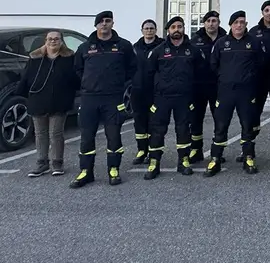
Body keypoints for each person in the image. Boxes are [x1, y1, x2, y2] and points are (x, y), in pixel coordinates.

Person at [70, 11, 136, 188]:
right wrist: (87, 83)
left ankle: (113, 169)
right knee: (86, 136)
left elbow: (132, 68)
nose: (104, 24)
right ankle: (86, 171)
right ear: (96, 25)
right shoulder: (85, 47)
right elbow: (77, 70)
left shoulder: (124, 46)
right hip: (89, 98)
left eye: (108, 21)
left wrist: (119, 83)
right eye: (101, 22)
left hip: (113, 98)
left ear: (113, 23)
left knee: (113, 135)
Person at [205, 10, 265, 177]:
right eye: (236, 22)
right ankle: (215, 158)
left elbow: (261, 64)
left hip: (246, 92)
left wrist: (249, 79)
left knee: (247, 125)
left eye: (242, 22)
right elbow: (213, 65)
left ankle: (248, 156)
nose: (239, 25)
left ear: (245, 25)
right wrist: (226, 78)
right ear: (230, 25)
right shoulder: (221, 43)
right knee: (221, 126)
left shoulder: (253, 43)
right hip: (226, 92)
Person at [144, 16, 204, 179]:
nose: (176, 29)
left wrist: (194, 96)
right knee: (157, 131)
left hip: (184, 98)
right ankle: (154, 163)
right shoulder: (158, 51)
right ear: (168, 30)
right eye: (173, 27)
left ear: (184, 29)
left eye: (179, 26)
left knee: (183, 130)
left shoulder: (193, 50)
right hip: (162, 98)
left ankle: (183, 161)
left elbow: (200, 74)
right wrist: (151, 99)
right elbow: (148, 75)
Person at [17, 31, 79, 177]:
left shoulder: (69, 58)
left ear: (62, 42)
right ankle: (42, 163)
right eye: (50, 39)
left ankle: (57, 163)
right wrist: (22, 94)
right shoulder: (35, 58)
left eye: (57, 39)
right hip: (38, 100)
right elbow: (26, 78)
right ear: (45, 41)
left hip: (60, 101)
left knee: (56, 133)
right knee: (40, 134)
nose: (53, 41)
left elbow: (76, 79)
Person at [248, 0, 270, 162]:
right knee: (252, 115)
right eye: (267, 10)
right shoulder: (254, 32)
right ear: (262, 12)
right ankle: (248, 150)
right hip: (258, 80)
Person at [188, 11, 225, 164]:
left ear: (218, 22)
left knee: (220, 119)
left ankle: (218, 151)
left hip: (218, 86)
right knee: (196, 119)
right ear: (204, 23)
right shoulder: (195, 40)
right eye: (208, 21)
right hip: (198, 86)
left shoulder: (225, 39)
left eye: (214, 20)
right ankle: (196, 149)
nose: (211, 23)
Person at [130, 19, 163, 165]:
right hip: (137, 91)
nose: (149, 31)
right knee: (139, 122)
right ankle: (142, 150)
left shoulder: (162, 46)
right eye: (146, 28)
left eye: (151, 28)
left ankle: (154, 151)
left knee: (154, 122)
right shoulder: (135, 48)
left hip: (155, 91)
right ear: (142, 30)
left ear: (156, 30)